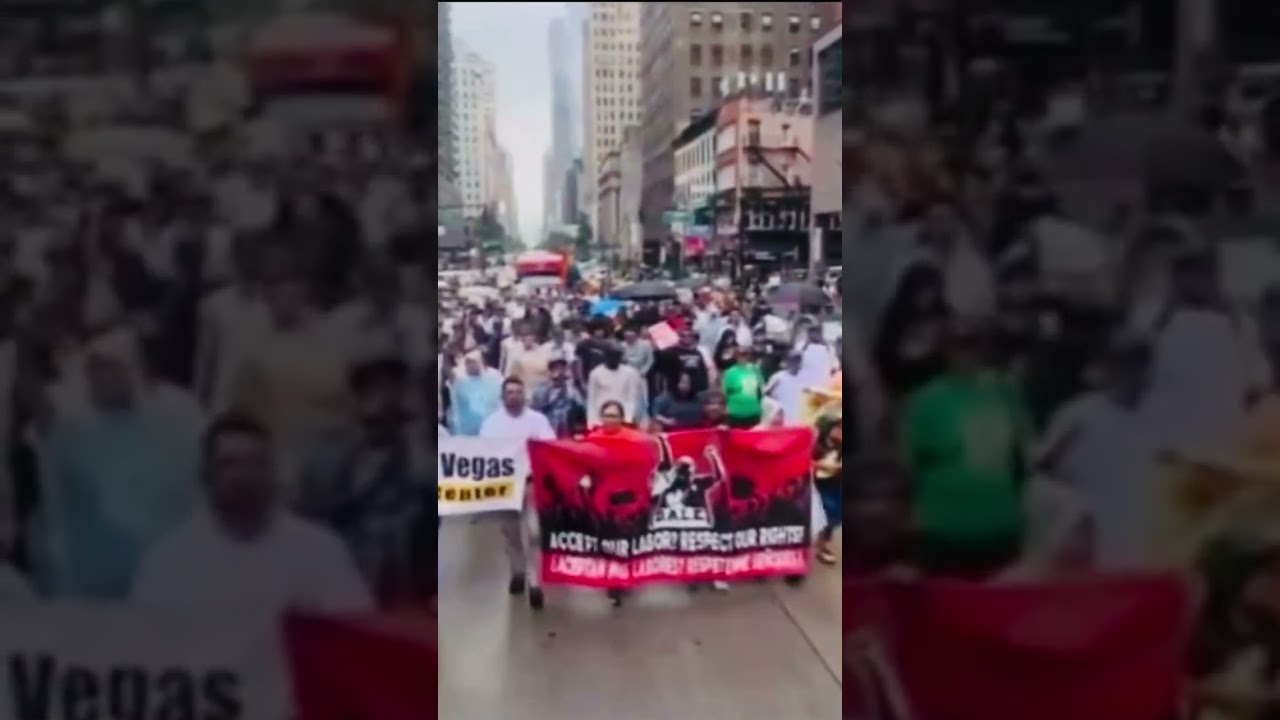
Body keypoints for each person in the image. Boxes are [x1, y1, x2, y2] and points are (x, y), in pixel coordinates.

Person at [132, 412, 373, 621]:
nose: (243, 475)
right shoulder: (167, 560)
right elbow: (147, 643)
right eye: (229, 464)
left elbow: (354, 632)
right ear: (206, 475)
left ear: (273, 472)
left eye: (256, 463)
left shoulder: (322, 551)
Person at [38, 327, 205, 599]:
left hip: (158, 573)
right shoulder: (71, 429)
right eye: (95, 370)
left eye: (110, 368)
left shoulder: (173, 419)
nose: (102, 378)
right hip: (88, 579)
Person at [296, 354, 431, 609]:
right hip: (343, 573)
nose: (386, 397)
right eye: (376, 387)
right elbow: (311, 517)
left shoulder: (415, 456)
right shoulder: (328, 455)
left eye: (394, 386)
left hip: (402, 585)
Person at [900, 319, 1032, 579]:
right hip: (942, 529)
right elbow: (907, 464)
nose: (965, 352)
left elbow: (1024, 455)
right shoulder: (925, 400)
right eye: (957, 344)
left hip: (1002, 526)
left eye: (972, 343)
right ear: (944, 350)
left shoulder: (1005, 393)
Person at [1036, 338, 1156, 568]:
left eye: (1141, 365)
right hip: (1088, 544)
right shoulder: (1079, 414)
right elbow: (1040, 469)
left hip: (1140, 546)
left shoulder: (1159, 418)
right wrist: (1071, 509)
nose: (1135, 374)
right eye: (1127, 365)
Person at [478, 377, 555, 599]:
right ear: (503, 396)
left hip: (531, 482)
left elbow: (550, 445)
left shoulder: (537, 420)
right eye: (510, 392)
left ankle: (534, 580)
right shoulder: (491, 423)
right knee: (510, 533)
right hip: (504, 485)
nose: (514, 396)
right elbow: (482, 453)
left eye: (518, 392)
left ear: (524, 395)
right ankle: (517, 571)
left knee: (534, 531)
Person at [586, 343, 643, 426]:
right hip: (601, 417)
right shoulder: (596, 373)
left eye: (618, 356)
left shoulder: (630, 373)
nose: (615, 359)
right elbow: (592, 399)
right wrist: (592, 421)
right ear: (606, 356)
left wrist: (628, 419)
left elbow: (632, 398)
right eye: (612, 356)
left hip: (623, 417)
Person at [530, 356, 586, 438]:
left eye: (561, 368)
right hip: (546, 430)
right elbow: (535, 410)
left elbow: (582, 408)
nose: (558, 371)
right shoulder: (540, 390)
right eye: (555, 368)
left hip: (565, 432)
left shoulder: (571, 391)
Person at [448, 351, 501, 436]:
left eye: (473, 362)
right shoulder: (460, 383)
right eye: (468, 363)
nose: (471, 365)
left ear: (480, 363)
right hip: (464, 429)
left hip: (488, 428)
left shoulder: (492, 380)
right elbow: (456, 406)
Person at [814, 417, 843, 565]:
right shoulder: (816, 446)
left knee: (836, 516)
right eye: (838, 428)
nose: (841, 432)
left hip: (836, 485)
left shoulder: (840, 446)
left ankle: (823, 542)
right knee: (825, 515)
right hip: (818, 486)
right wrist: (820, 466)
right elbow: (806, 462)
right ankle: (821, 547)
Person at [722, 345, 765, 428]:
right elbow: (725, 393)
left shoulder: (755, 369)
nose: (742, 357)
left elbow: (761, 388)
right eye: (739, 354)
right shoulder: (729, 372)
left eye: (745, 354)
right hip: (735, 413)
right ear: (735, 356)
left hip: (753, 412)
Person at [765, 351, 805, 425]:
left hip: (799, 420)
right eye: (793, 360)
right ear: (788, 361)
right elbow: (766, 394)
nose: (795, 363)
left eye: (797, 360)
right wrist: (777, 407)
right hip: (782, 419)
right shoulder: (778, 377)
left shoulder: (804, 377)